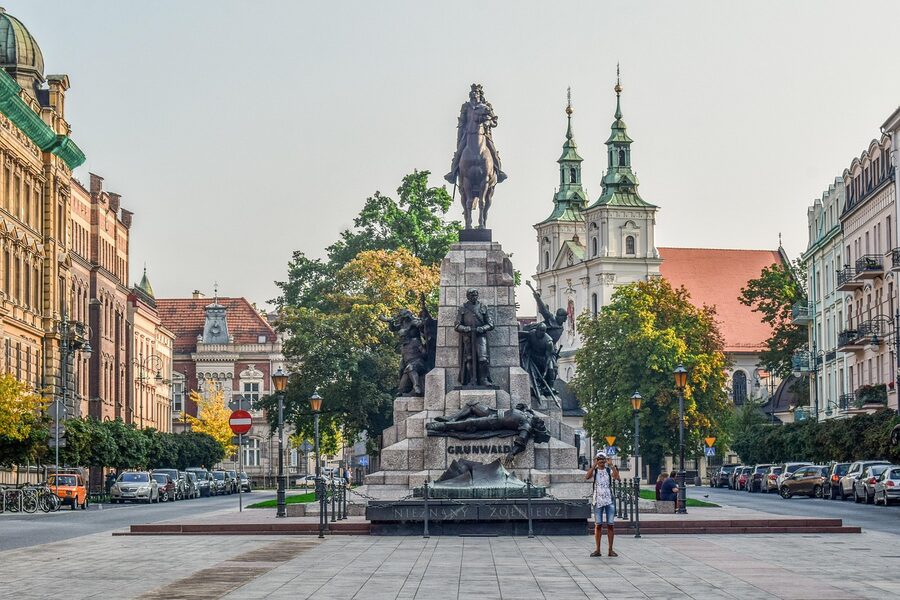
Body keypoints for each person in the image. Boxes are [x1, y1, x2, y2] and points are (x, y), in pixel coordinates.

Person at [584, 451, 620, 557]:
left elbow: (617, 477)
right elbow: (587, 476)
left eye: (603, 459)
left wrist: (611, 465)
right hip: (597, 500)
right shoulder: (595, 471)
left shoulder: (608, 470)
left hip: (609, 500)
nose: (601, 461)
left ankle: (610, 549)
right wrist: (594, 464)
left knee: (610, 525)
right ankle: (598, 549)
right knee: (598, 525)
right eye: (599, 459)